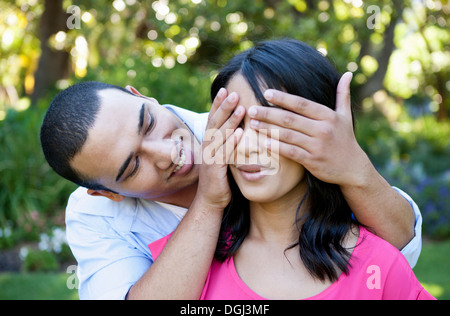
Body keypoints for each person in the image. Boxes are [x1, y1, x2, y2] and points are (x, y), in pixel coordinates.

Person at [41, 45, 422, 300]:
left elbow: (401, 244)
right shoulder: (94, 215)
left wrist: (354, 168)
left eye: (147, 124)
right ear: (107, 193)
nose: (167, 153)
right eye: (133, 166)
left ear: (141, 96)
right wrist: (209, 201)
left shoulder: (249, 123)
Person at [149, 39, 434, 300]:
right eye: (234, 125)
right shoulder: (183, 263)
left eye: (270, 125)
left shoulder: (380, 267)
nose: (247, 147)